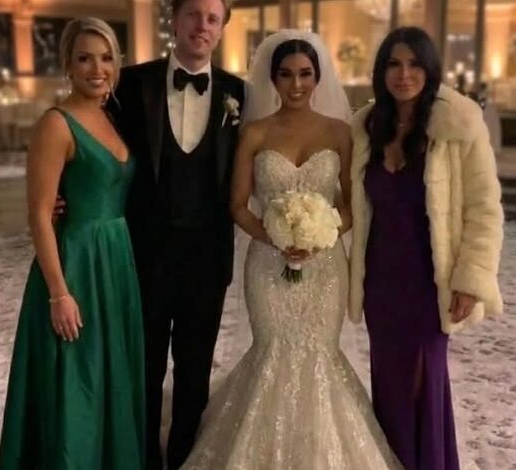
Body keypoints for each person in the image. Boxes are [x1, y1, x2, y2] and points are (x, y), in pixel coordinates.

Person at [180, 30, 402, 470]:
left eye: (304, 74)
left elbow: (352, 204)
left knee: (318, 355)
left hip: (324, 267)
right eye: (285, 74)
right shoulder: (255, 132)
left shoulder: (340, 132)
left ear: (318, 78)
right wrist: (275, 237)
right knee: (272, 352)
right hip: (267, 265)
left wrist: (320, 237)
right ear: (273, 79)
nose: (296, 84)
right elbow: (237, 205)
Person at [349, 26, 504, 470]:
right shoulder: (367, 128)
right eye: (394, 64)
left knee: (422, 382)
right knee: (389, 386)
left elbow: (484, 208)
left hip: (430, 282)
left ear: (430, 69)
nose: (404, 74)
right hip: (382, 284)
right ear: (381, 72)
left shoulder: (458, 125)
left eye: (414, 64)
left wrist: (470, 279)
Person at [0, 17, 145, 470]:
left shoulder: (110, 117)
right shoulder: (55, 124)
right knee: (77, 381)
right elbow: (39, 215)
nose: (97, 69)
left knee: (109, 376)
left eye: (106, 58)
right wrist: (59, 294)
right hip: (76, 264)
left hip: (115, 261)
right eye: (84, 58)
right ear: (67, 64)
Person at [105, 0, 245, 468]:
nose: (202, 26)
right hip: (144, 256)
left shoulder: (239, 94)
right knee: (143, 371)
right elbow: (88, 135)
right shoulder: (129, 83)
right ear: (175, 18)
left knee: (194, 373)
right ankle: (143, 459)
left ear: (222, 28)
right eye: (193, 14)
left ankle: (185, 458)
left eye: (212, 18)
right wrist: (66, 191)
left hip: (207, 260)